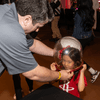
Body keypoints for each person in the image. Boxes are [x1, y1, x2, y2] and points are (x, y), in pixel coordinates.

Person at [0, 0, 74, 98]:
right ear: (27, 19)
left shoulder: (9, 12)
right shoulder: (10, 31)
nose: (37, 30)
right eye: (38, 26)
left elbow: (32, 44)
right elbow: (33, 73)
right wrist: (59, 75)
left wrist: (55, 53)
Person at [72, 0, 100, 83]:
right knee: (76, 57)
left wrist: (73, 40)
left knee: (75, 58)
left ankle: (93, 72)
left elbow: (76, 28)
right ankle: (92, 72)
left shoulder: (79, 12)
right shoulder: (89, 11)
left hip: (79, 38)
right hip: (87, 37)